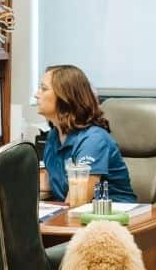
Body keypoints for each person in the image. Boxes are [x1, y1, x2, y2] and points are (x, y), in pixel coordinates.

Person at [35, 64, 136, 205]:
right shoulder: (54, 136)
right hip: (74, 215)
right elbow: (48, 187)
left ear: (65, 97)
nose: (36, 94)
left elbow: (78, 201)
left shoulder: (93, 140)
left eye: (43, 89)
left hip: (113, 218)